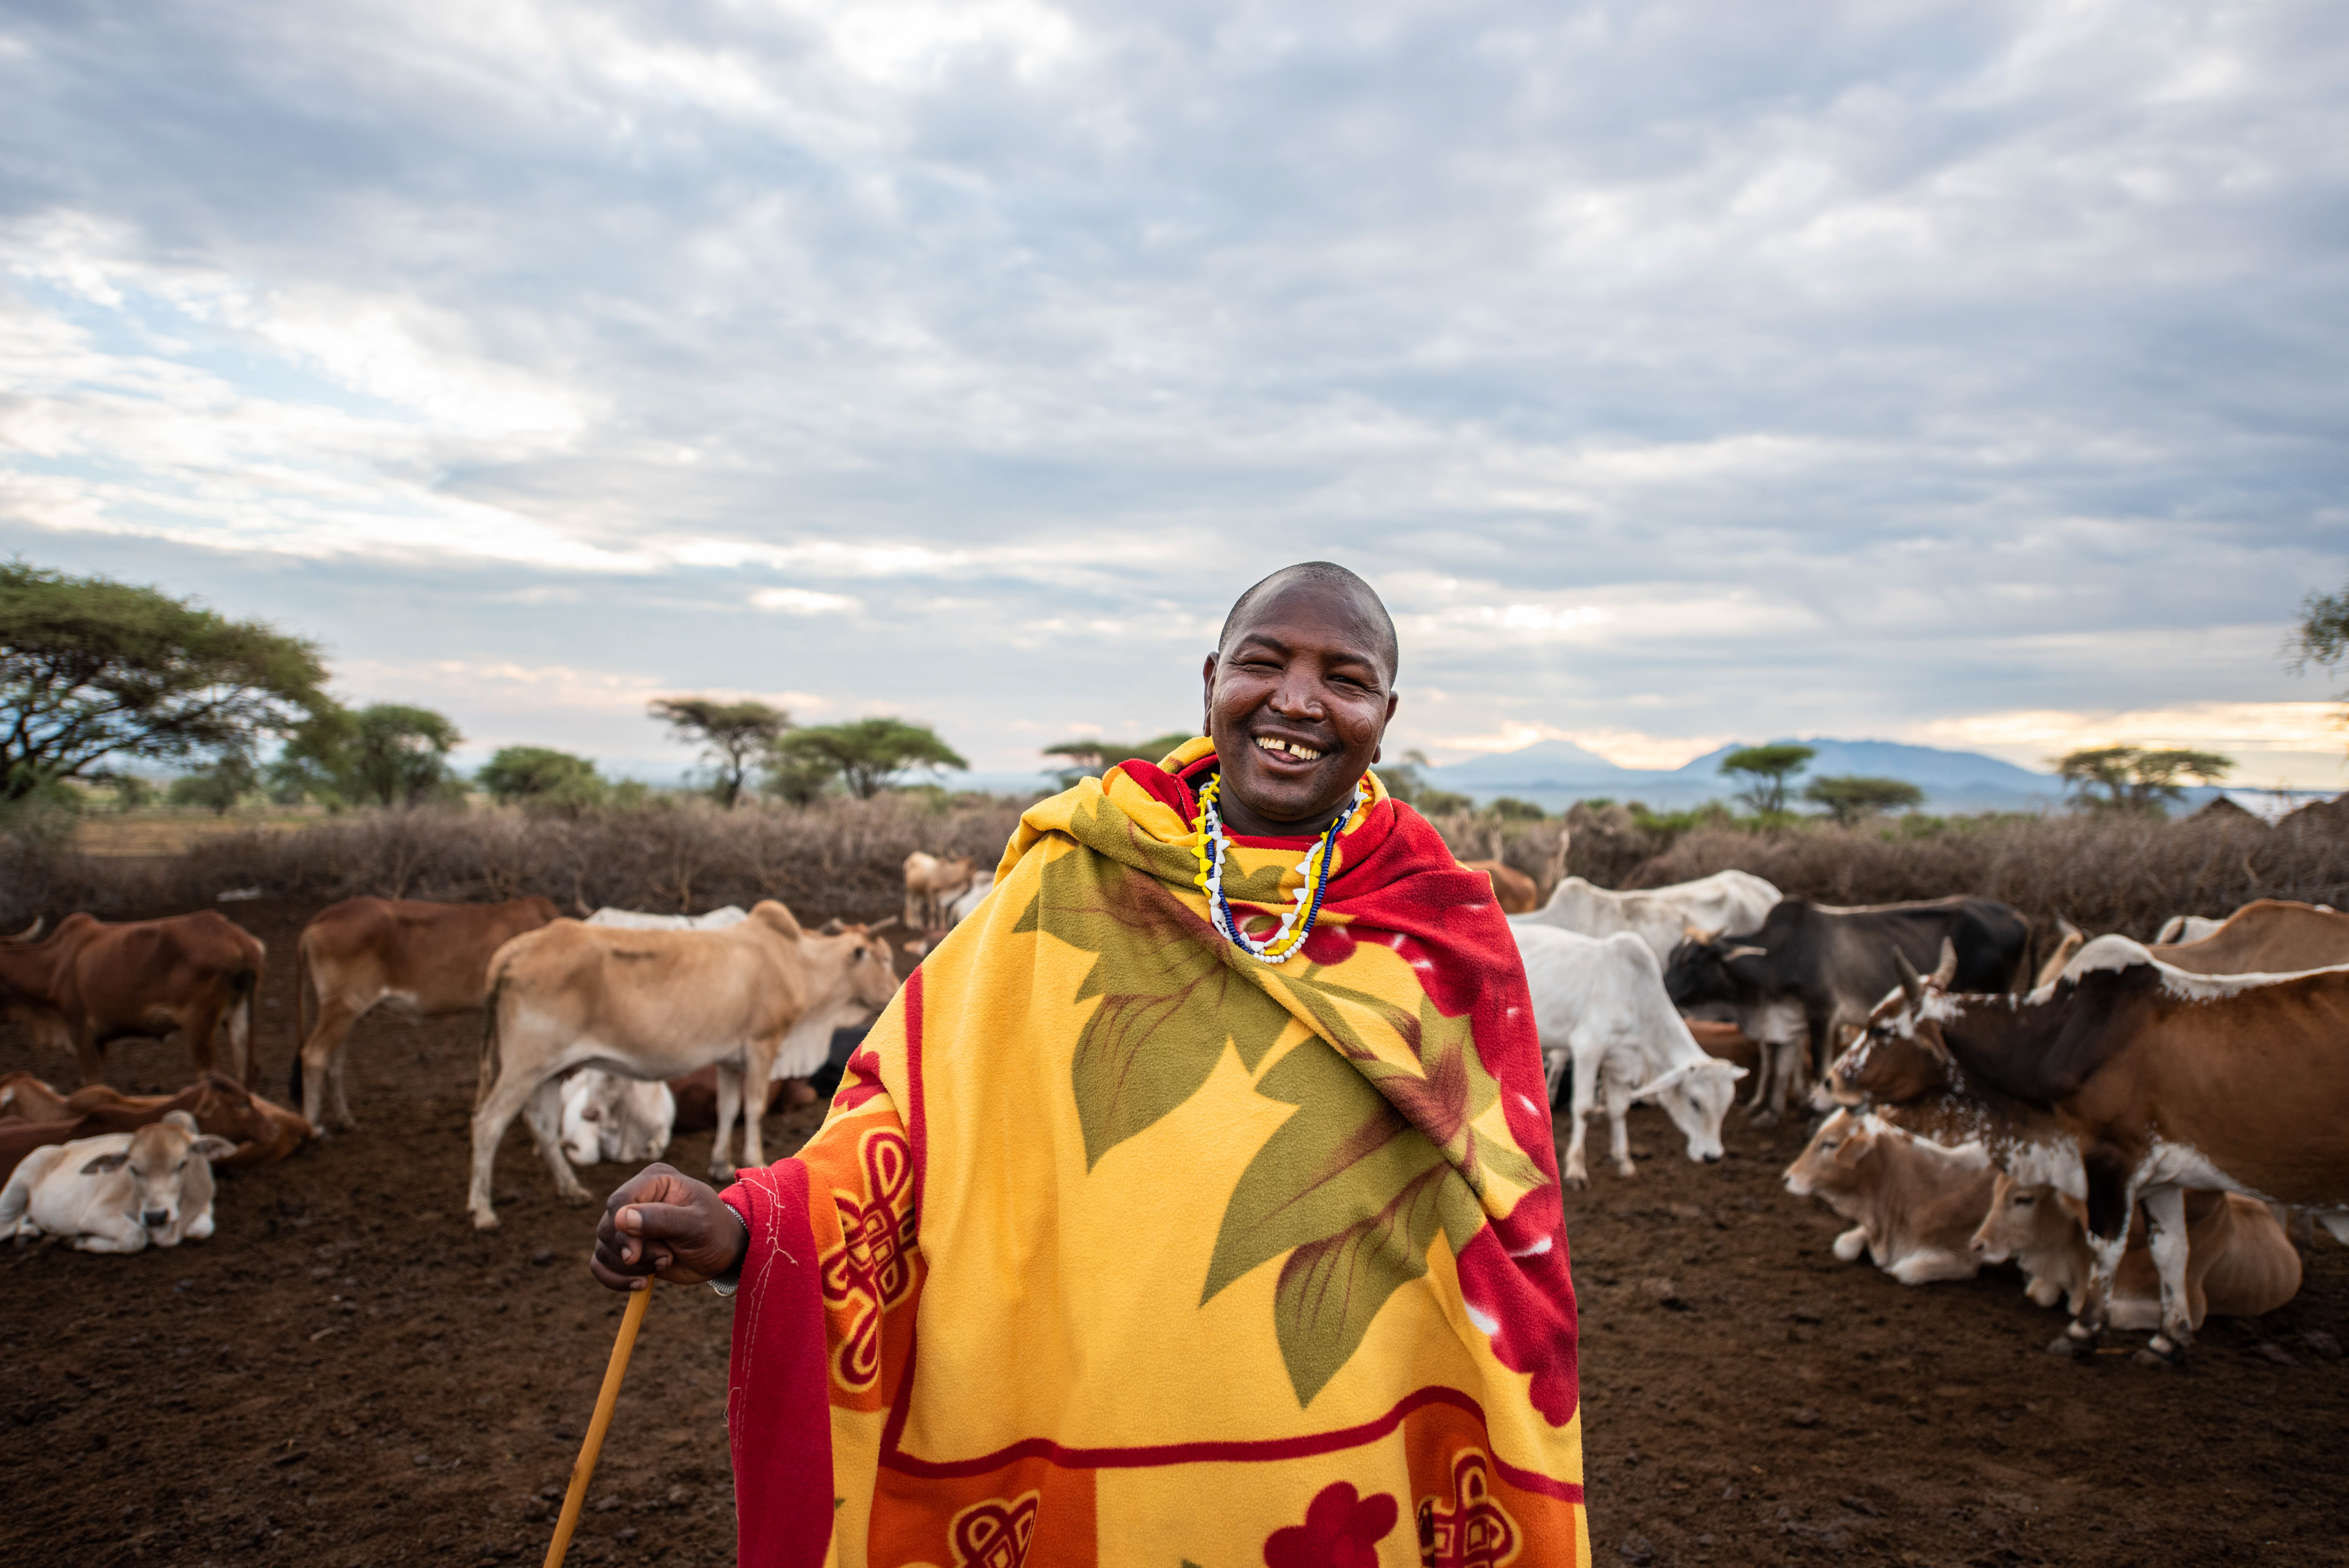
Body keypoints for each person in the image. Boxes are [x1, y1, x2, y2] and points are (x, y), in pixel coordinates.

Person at [591, 562, 1588, 1565]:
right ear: (1210, 680)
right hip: (1083, 1435)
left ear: (1386, 712)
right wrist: (744, 1230)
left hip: (1348, 1465)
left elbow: (1512, 1232)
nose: (1297, 699)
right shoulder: (1071, 883)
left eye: (1345, 677)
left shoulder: (1440, 923)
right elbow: (906, 1126)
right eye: (1264, 662)